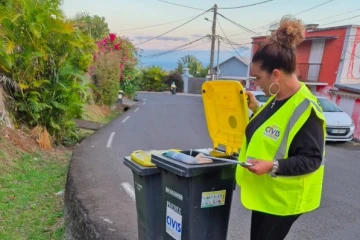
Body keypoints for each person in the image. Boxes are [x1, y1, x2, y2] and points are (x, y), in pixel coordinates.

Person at [236, 16, 326, 240]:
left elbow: (312, 159)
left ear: (275, 74)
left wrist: (271, 166)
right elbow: (275, 129)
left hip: (285, 199)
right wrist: (256, 109)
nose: (256, 84)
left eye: (258, 78)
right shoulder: (277, 98)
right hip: (267, 195)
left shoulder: (306, 108)